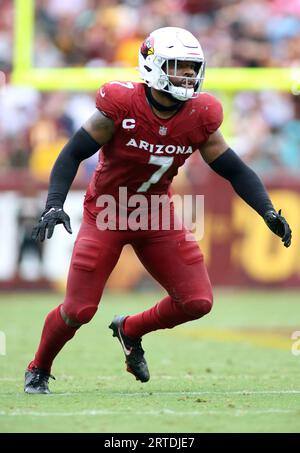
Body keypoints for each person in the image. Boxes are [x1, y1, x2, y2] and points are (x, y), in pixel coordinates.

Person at [24, 27, 292, 394]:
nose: (187, 75)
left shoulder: (202, 114)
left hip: (156, 214)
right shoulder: (120, 103)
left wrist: (266, 211)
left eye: (191, 67)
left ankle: (130, 329)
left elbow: (233, 169)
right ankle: (38, 367)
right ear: (152, 65)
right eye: (178, 66)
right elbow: (72, 153)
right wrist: (53, 204)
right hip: (107, 211)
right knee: (79, 310)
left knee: (197, 301)